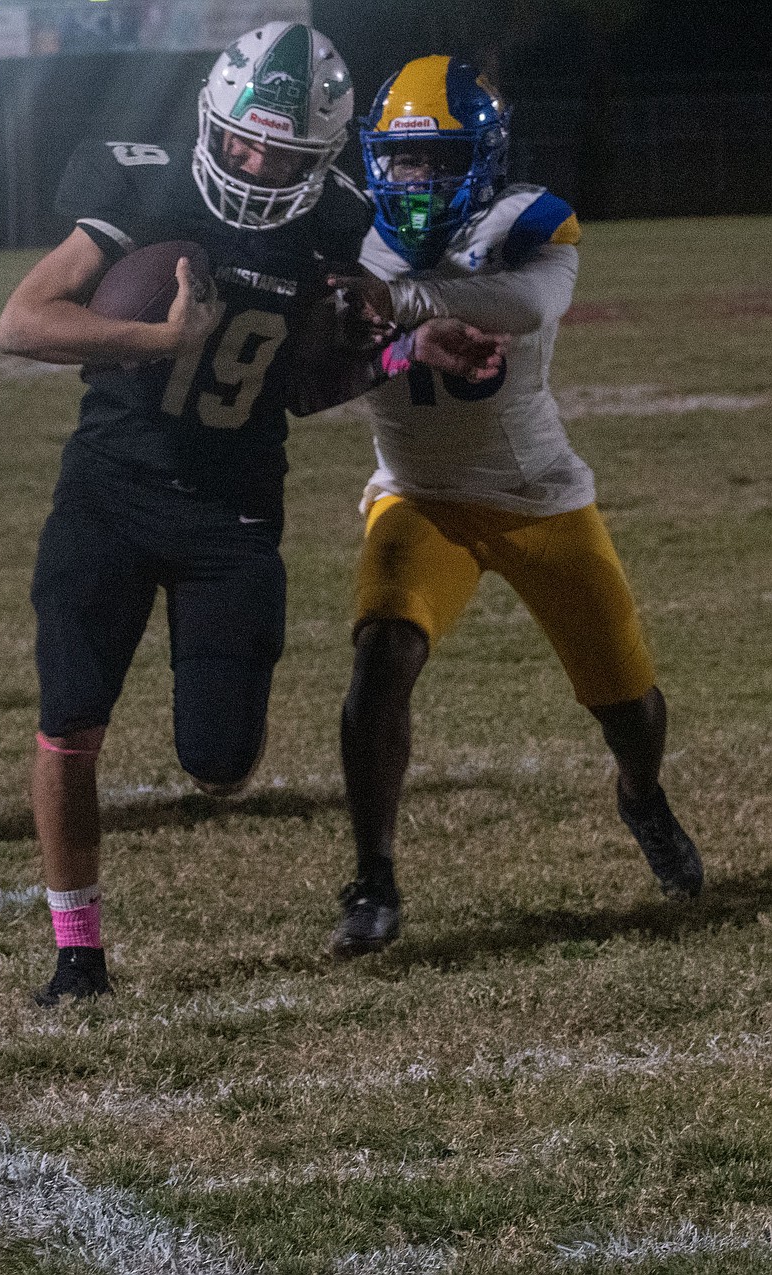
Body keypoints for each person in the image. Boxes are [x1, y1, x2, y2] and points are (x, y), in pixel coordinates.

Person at [0, 26, 503, 1004]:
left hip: (231, 517)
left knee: (221, 763)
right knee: (69, 724)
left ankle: (178, 783)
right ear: (212, 122)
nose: (260, 163)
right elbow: (24, 321)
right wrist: (156, 336)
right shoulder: (141, 184)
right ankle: (77, 954)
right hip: (107, 493)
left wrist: (405, 347)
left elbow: (307, 382)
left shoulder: (333, 227)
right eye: (244, 141)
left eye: (286, 152)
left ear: (322, 158)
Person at [327, 55, 703, 958]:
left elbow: (527, 304)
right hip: (417, 499)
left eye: (439, 160)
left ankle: (640, 794)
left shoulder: (527, 224)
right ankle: (372, 875)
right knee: (383, 654)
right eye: (401, 160)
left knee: (628, 704)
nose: (414, 180)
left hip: (539, 499)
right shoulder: (340, 232)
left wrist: (393, 299)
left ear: (484, 158)